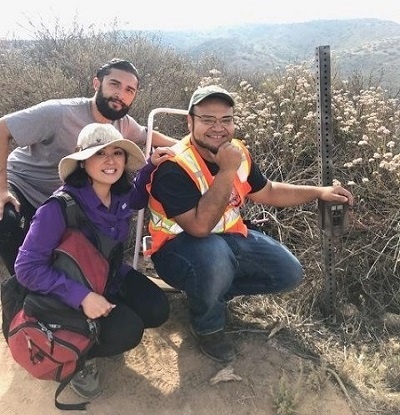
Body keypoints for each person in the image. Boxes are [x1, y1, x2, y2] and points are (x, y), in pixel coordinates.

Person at [146, 85, 354, 363]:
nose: (218, 128)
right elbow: (199, 228)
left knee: (288, 272)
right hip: (177, 252)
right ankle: (208, 326)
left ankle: (208, 293)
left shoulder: (237, 152)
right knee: (213, 253)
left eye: (226, 120)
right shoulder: (174, 166)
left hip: (227, 239)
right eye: (208, 119)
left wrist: (318, 192)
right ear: (190, 121)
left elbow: (267, 191)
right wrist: (227, 169)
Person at [14, 123, 172, 399]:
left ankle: (99, 333)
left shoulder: (118, 194)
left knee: (157, 309)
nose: (111, 161)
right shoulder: (58, 208)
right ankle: (79, 357)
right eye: (100, 154)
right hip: (67, 292)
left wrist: (150, 166)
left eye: (117, 153)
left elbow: (135, 197)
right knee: (129, 331)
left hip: (108, 277)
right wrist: (82, 296)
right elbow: (26, 269)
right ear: (83, 161)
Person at [0, 58, 177, 275]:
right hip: (23, 184)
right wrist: (2, 188)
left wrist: (191, 145)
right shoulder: (60, 113)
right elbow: (3, 128)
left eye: (129, 90)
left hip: (66, 202)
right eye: (114, 84)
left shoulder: (122, 123)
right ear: (96, 83)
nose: (120, 94)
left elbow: (148, 135)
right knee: (6, 223)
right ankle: (19, 294)